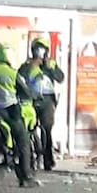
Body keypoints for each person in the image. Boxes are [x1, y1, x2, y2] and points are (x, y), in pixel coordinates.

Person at [0, 43, 38, 187]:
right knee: (23, 140)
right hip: (9, 110)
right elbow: (24, 91)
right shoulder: (12, 72)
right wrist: (33, 95)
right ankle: (26, 177)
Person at [20, 37, 65, 171]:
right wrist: (31, 67)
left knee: (47, 129)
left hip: (47, 99)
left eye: (42, 49)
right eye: (37, 49)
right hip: (31, 99)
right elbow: (19, 77)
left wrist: (52, 68)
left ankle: (48, 160)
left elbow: (60, 78)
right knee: (29, 128)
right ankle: (29, 158)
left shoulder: (50, 64)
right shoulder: (27, 65)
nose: (39, 52)